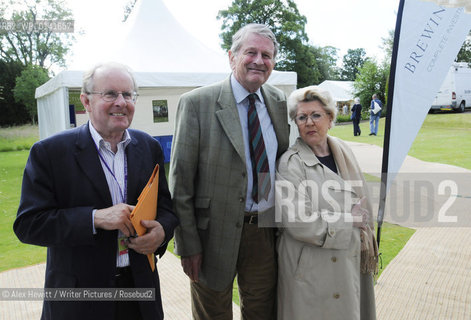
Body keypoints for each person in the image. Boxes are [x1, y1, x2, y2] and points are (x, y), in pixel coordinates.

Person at [13, 62, 179, 320]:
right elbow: (28, 224)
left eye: (128, 95)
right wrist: (95, 218)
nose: (121, 102)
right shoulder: (50, 153)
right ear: (86, 101)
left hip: (139, 290)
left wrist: (161, 232)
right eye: (110, 94)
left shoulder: (148, 147)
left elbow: (166, 209)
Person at [169, 23, 290, 319]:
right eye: (251, 52)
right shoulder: (197, 103)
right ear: (232, 56)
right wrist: (188, 245)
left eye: (267, 55)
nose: (259, 61)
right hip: (211, 237)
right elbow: (180, 182)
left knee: (263, 313)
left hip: (265, 231)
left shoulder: (278, 102)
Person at [275, 86, 378, 320]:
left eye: (316, 115)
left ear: (330, 118)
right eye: (302, 117)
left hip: (348, 260)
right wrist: (349, 220)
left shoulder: (343, 151)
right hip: (310, 269)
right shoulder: (290, 163)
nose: (309, 122)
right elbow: (298, 222)